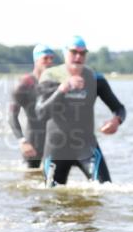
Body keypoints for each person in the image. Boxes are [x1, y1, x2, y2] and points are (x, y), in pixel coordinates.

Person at [35, 36, 127, 186]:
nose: (78, 57)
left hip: (86, 146)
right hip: (57, 148)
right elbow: (40, 113)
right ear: (65, 53)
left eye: (82, 53)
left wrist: (116, 121)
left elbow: (119, 108)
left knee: (106, 189)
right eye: (74, 52)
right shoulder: (50, 76)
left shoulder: (95, 78)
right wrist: (62, 89)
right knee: (51, 200)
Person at [9, 44, 56, 169]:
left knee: (55, 181)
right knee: (31, 180)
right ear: (36, 60)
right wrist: (22, 141)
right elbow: (12, 116)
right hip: (33, 142)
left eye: (52, 58)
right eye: (46, 58)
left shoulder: (56, 83)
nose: (50, 62)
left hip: (54, 142)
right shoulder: (24, 84)